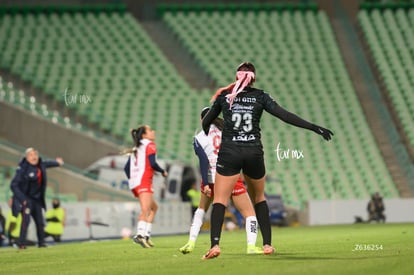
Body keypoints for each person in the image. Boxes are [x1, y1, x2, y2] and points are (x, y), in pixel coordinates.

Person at [202, 62, 333, 259]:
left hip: (230, 153)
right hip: (253, 152)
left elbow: (206, 121)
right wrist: (314, 127)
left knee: (220, 200)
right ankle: (267, 245)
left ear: (237, 77)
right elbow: (285, 116)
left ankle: (215, 245)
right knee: (259, 198)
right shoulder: (260, 96)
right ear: (253, 78)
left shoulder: (224, 97)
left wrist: (210, 129)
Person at [179, 107, 262, 255]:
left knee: (201, 210)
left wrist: (205, 183)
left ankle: (191, 242)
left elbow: (203, 161)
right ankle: (251, 246)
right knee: (249, 214)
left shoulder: (198, 138)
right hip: (230, 175)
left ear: (202, 119)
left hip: (211, 177)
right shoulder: (229, 132)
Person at [10, 147, 64, 249]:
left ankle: (41, 243)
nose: (34, 157)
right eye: (31, 155)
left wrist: (57, 163)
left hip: (37, 200)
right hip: (26, 199)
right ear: (26, 158)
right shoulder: (22, 169)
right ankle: (21, 243)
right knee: (26, 221)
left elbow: (48, 163)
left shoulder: (41, 164)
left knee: (40, 222)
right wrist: (22, 199)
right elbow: (13, 185)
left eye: (35, 154)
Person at [124, 125, 168, 248]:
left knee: (154, 208)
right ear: (144, 135)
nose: (153, 131)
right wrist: (163, 171)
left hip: (136, 183)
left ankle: (146, 235)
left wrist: (133, 179)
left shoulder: (136, 148)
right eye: (150, 130)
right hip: (144, 181)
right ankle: (139, 235)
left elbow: (126, 168)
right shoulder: (149, 145)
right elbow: (153, 163)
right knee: (146, 209)